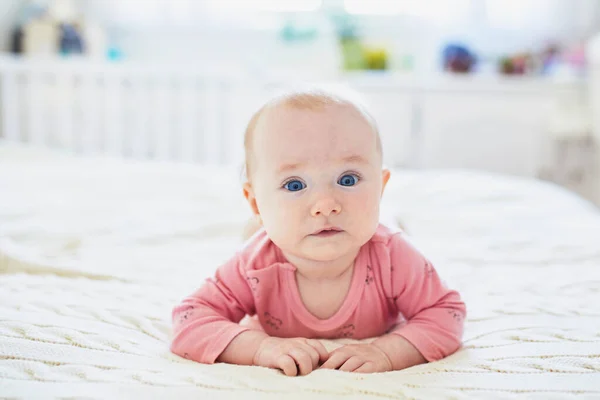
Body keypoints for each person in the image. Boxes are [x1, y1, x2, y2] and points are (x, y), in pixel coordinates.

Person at [171, 87, 466, 376]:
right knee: (256, 234)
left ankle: (395, 219)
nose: (325, 205)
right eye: (295, 185)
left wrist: (387, 352)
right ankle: (258, 224)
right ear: (256, 203)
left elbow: (446, 313)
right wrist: (260, 348)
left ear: (381, 187)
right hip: (266, 232)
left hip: (380, 231)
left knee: (392, 229)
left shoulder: (392, 256)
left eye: (348, 179)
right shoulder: (254, 265)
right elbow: (190, 319)